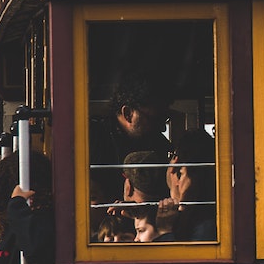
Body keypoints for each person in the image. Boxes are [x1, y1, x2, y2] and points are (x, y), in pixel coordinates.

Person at [88, 74, 169, 214]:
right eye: (155, 119)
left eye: (165, 119)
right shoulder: (90, 139)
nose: (163, 128)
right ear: (128, 113)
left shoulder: (159, 145)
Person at [160, 129, 218, 242]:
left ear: (176, 166)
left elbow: (176, 258)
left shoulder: (204, 227)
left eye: (171, 156)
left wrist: (164, 232)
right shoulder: (212, 216)